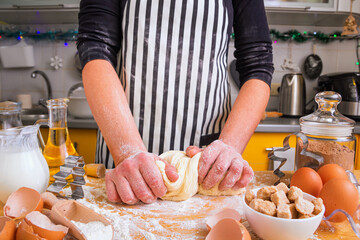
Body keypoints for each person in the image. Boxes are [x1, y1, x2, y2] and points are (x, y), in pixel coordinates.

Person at [77, 0, 274, 204]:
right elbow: (95, 47)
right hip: (125, 163)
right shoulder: (125, 157)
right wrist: (127, 151)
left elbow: (258, 64)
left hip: (206, 165)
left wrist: (229, 145)